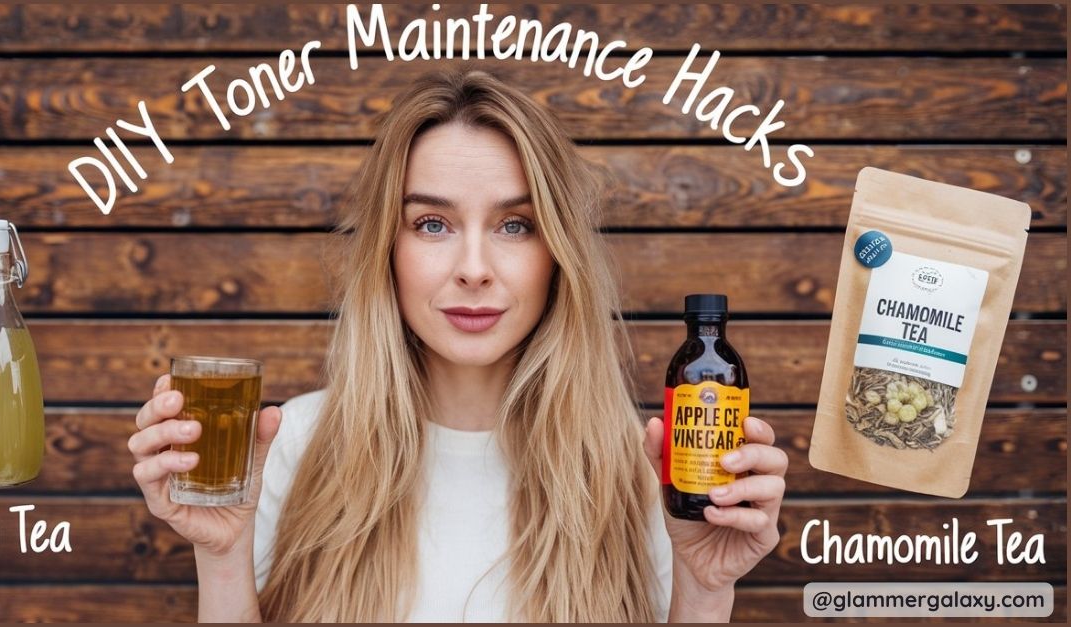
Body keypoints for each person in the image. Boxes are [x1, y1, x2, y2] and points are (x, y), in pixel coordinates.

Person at [128, 67, 787, 622]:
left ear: (558, 254)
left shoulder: (642, 466)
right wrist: (220, 557)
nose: (474, 267)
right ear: (388, 246)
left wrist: (705, 590)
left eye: (515, 224)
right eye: (434, 223)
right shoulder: (294, 445)